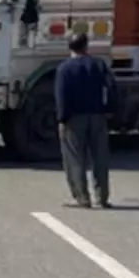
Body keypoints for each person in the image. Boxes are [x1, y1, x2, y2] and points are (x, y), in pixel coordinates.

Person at [55, 33, 116, 208]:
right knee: (100, 158)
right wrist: (109, 109)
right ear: (86, 46)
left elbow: (62, 96)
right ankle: (102, 197)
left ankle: (82, 197)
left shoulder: (64, 68)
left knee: (75, 158)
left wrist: (62, 118)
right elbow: (111, 87)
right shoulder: (98, 64)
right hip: (97, 116)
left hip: (74, 118)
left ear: (69, 48)